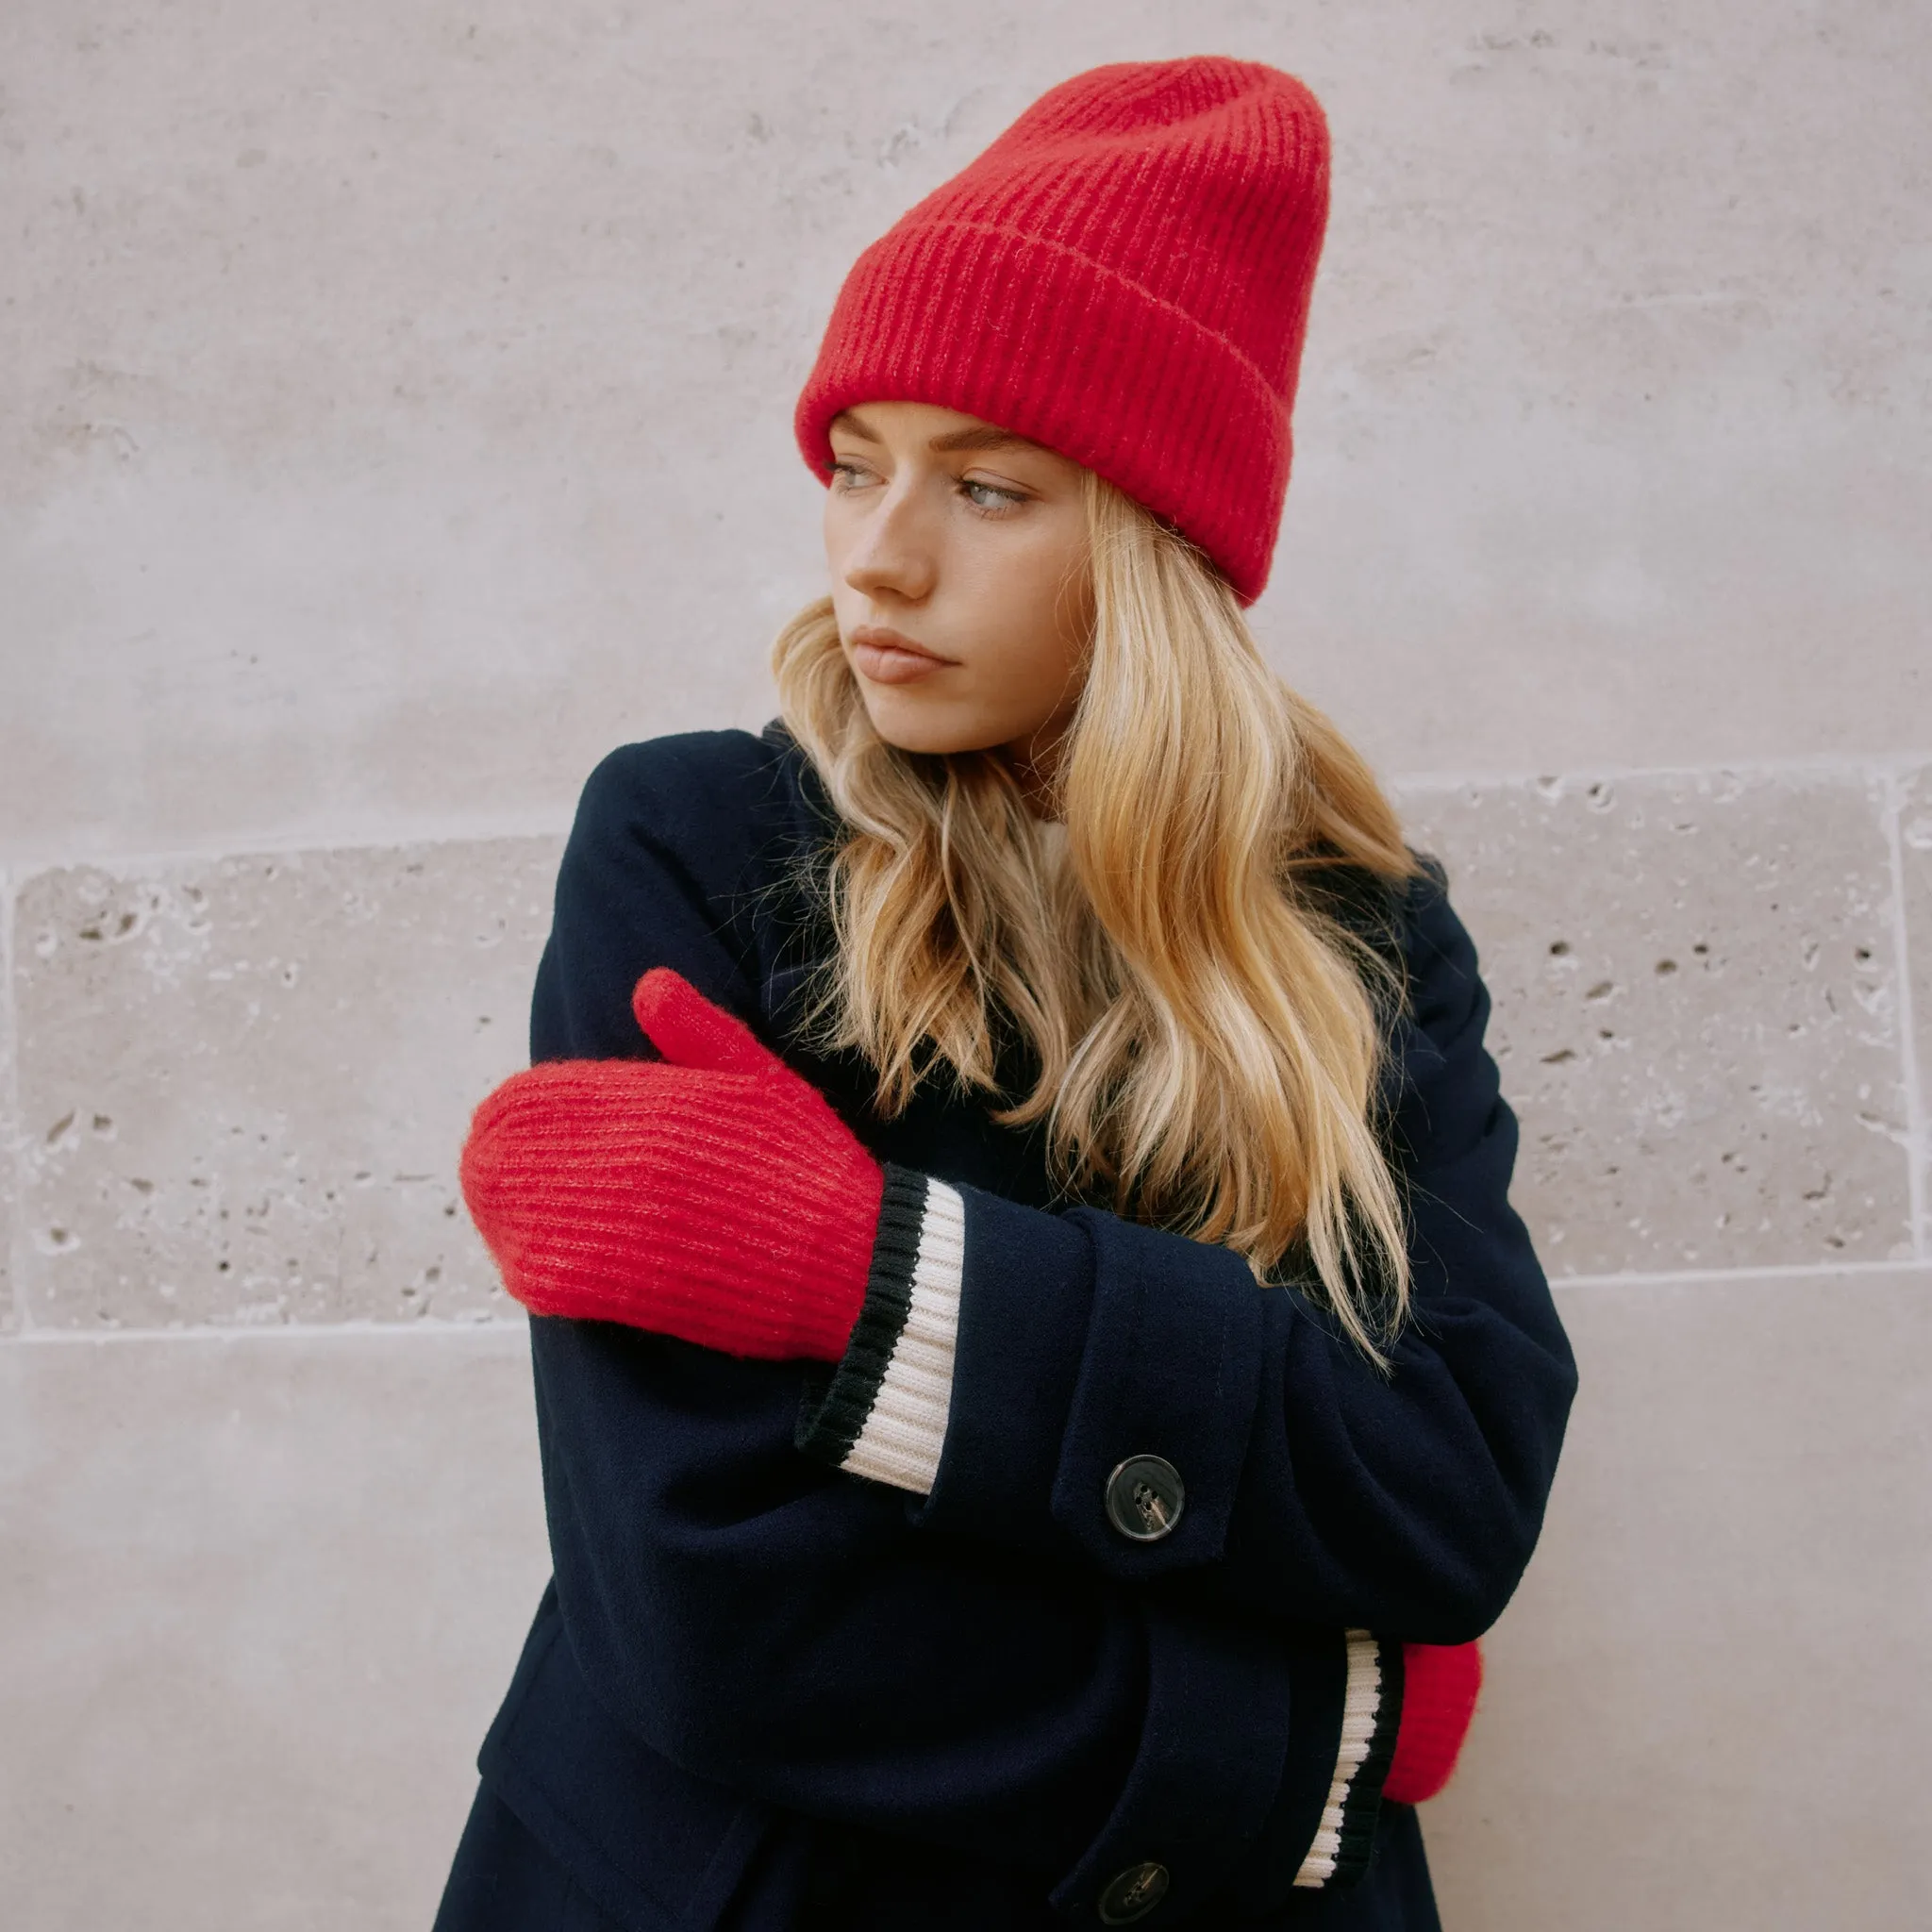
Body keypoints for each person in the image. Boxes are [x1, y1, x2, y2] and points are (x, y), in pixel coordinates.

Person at [435, 54, 1576, 1932]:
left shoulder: (1358, 938)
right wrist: (1311, 1728)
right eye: (852, 464)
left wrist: (867, 1278)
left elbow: (1447, 1490)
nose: (879, 555)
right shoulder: (693, 847)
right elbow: (708, 1603)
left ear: (1153, 547)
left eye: (986, 484)